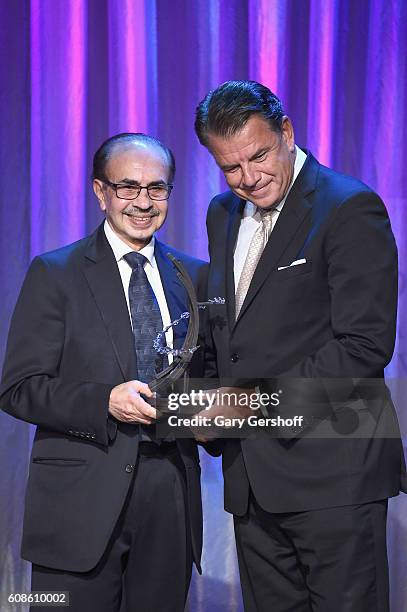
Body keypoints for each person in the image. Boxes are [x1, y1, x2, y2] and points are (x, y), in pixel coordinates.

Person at [194, 80, 406, 612]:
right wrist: (196, 403)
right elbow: (230, 333)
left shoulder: (349, 206)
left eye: (258, 156)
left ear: (287, 132)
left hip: (333, 475)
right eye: (230, 168)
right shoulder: (221, 214)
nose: (248, 178)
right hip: (251, 485)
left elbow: (363, 346)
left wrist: (248, 403)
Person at [0, 133, 208, 612]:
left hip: (169, 496)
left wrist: (212, 417)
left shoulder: (193, 276)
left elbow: (208, 375)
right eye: (128, 187)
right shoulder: (56, 273)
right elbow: (18, 388)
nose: (143, 202)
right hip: (79, 501)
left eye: (157, 189)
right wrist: (103, 402)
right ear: (100, 191)